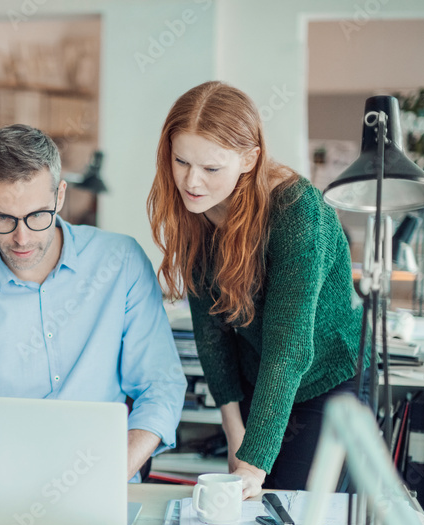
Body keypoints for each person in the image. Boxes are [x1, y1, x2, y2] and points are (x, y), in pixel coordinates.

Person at [0, 124, 186, 480]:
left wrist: (115, 468)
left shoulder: (121, 264)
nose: (22, 238)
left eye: (37, 216)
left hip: (102, 479)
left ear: (60, 196)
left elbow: (160, 385)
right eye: (2, 218)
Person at [148, 81, 366, 499]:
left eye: (212, 168)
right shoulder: (194, 210)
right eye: (181, 161)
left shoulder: (297, 211)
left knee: (289, 507)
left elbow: (290, 347)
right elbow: (210, 334)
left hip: (327, 373)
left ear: (249, 158)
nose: (192, 181)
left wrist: (252, 462)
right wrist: (234, 430)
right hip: (261, 378)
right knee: (248, 506)